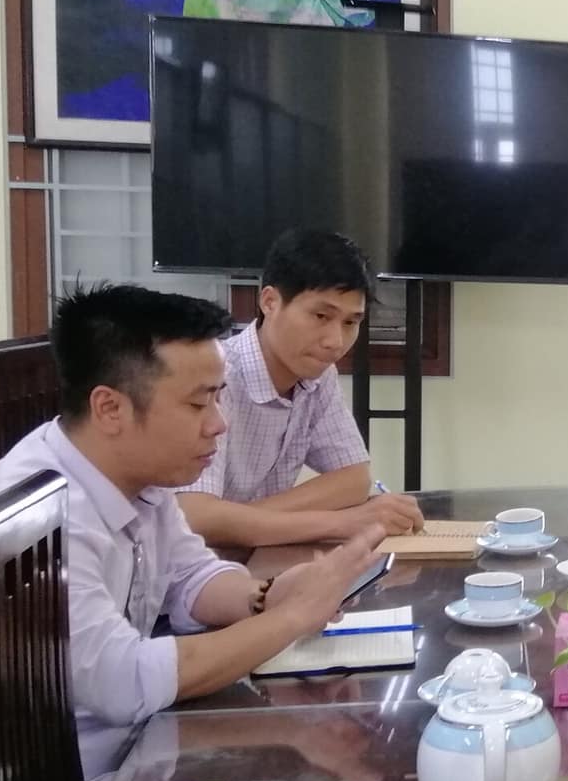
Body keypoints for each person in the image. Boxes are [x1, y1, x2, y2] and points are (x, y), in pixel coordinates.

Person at [0, 283, 385, 781]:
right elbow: (128, 680)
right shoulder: (40, 522)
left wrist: (265, 595)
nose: (218, 424)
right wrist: (290, 617)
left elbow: (190, 575)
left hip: (127, 759)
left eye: (219, 397)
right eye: (198, 402)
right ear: (110, 408)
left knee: (310, 778)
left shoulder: (136, 475)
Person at [176, 228, 423, 547]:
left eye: (351, 322)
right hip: (196, 569)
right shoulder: (217, 375)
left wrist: (240, 522)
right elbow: (196, 517)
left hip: (259, 556)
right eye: (321, 316)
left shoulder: (319, 375)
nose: (335, 342)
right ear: (269, 302)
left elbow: (353, 479)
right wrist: (343, 522)